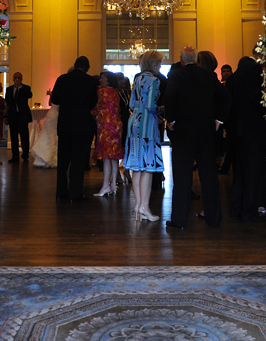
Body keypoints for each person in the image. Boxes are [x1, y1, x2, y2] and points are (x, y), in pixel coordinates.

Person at [165, 47, 230, 229]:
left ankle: (179, 220)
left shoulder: (176, 75)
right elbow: (225, 97)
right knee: (209, 175)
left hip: (183, 132)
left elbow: (170, 97)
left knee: (182, 176)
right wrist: (218, 120)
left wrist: (171, 120)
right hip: (206, 131)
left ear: (181, 59)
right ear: (196, 59)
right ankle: (214, 217)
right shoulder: (208, 76)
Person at [122, 51, 164, 221]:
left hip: (134, 122)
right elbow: (151, 105)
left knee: (137, 165)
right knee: (148, 166)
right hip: (147, 124)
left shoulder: (137, 79)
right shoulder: (154, 80)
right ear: (154, 64)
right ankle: (144, 207)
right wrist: (162, 111)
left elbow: (132, 103)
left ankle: (139, 204)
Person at [226, 55, 266, 223]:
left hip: (235, 131)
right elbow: (256, 98)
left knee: (239, 173)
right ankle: (249, 211)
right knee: (253, 172)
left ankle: (236, 208)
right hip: (252, 130)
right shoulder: (254, 72)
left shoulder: (233, 79)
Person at [50, 56, 98, 201]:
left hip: (65, 125)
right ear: (87, 67)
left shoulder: (62, 79)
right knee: (78, 161)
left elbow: (55, 99)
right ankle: (75, 193)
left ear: (74, 65)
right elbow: (93, 102)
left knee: (63, 160)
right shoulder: (90, 81)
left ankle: (61, 192)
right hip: (82, 125)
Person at [92, 71, 124, 196]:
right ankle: (113, 185)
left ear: (108, 80)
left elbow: (96, 109)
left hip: (106, 126)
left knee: (106, 156)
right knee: (114, 156)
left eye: (102, 78)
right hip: (116, 125)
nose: (100, 80)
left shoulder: (101, 92)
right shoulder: (116, 93)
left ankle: (105, 185)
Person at [4, 72, 33, 163]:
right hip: (13, 116)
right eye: (15, 77)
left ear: (21, 79)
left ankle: (25, 155)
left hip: (22, 116)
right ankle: (15, 156)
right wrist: (6, 115)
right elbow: (7, 102)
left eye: (18, 78)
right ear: (13, 79)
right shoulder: (9, 89)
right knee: (13, 137)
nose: (17, 79)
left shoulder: (26, 88)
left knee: (24, 136)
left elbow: (29, 95)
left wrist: (19, 86)